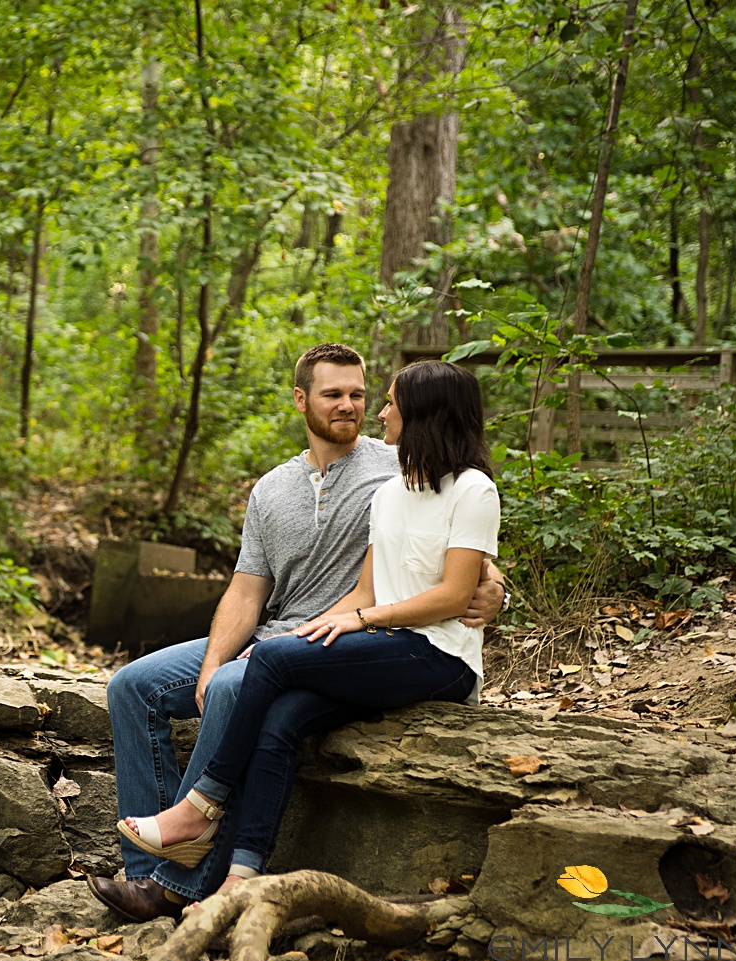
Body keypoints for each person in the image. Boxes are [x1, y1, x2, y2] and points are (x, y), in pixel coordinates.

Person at [88, 345, 505, 922]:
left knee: (240, 689)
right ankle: (144, 874)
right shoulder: (273, 489)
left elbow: (462, 547)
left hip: (332, 645)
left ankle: (178, 884)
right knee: (132, 686)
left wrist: (495, 586)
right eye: (333, 395)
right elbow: (245, 590)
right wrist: (212, 662)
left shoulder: (399, 464)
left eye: (360, 395)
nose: (352, 406)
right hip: (278, 633)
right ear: (301, 400)